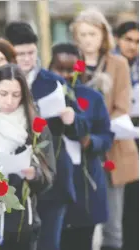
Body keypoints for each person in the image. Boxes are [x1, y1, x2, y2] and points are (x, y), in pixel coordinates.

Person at [5, 21, 89, 250]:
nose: (26, 59)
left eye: (31, 52)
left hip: (52, 179)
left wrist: (71, 119)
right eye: (19, 53)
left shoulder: (55, 83)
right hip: (13, 180)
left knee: (48, 244)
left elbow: (83, 126)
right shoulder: (0, 84)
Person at [70, 9, 139, 250]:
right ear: (76, 37)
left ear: (103, 35)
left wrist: (95, 130)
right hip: (77, 148)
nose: (88, 39)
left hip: (113, 149)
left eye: (93, 33)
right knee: (79, 223)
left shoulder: (117, 63)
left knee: (113, 227)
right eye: (83, 34)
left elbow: (122, 107)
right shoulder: (69, 62)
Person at [0, 63, 56, 250]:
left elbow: (49, 174)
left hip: (23, 220)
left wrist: (34, 174)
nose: (9, 101)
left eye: (16, 95)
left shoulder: (34, 123)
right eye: (3, 94)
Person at [48, 43, 114, 250]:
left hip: (84, 183)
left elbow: (106, 136)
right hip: (53, 182)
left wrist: (90, 140)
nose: (66, 75)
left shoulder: (92, 97)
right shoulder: (41, 95)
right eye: (60, 69)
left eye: (72, 69)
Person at [113, 21, 139, 250]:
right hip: (116, 136)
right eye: (128, 39)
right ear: (117, 39)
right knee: (118, 203)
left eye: (137, 41)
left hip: (135, 135)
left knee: (134, 201)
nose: (133, 45)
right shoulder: (110, 64)